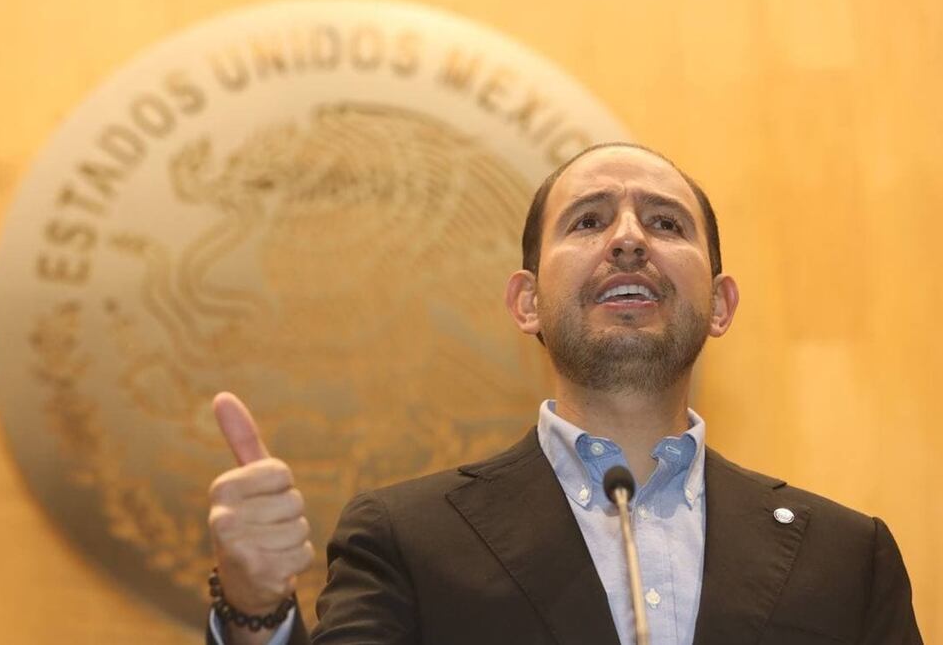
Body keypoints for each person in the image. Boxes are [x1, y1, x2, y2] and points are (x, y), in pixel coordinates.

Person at [204, 143, 922, 644]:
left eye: (665, 223)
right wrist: (255, 611)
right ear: (526, 303)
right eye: (588, 220)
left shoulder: (845, 555)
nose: (628, 239)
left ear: (721, 303)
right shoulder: (404, 538)